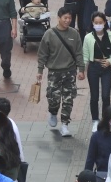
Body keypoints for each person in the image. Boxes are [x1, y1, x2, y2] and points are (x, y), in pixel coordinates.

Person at [36, 8, 84, 137]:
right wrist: (40, 70)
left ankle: (65, 125)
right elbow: (42, 53)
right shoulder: (49, 34)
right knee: (53, 98)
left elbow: (79, 53)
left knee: (68, 99)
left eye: (70, 18)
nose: (67, 20)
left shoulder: (74, 34)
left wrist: (81, 69)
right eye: (65, 18)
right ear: (59, 18)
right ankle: (53, 112)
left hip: (70, 72)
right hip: (54, 72)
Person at [83, 13, 111, 130]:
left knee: (105, 96)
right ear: (92, 23)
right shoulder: (88, 37)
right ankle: (95, 120)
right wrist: (81, 70)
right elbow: (85, 55)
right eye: (96, 23)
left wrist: (110, 61)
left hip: (106, 68)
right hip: (93, 67)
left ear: (105, 23)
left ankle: (105, 120)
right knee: (94, 96)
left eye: (100, 23)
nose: (98, 25)